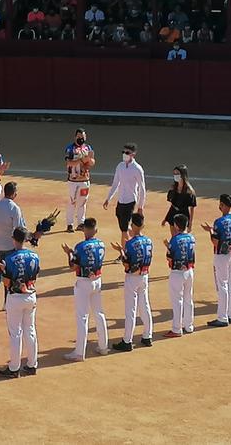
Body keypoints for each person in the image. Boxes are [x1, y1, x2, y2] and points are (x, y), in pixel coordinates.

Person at [63, 218, 109, 361]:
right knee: (99, 313)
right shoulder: (101, 244)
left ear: (85, 230)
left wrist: (69, 253)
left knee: (82, 316)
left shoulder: (80, 246)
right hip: (97, 280)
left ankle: (79, 353)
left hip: (83, 282)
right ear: (95, 230)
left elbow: (73, 267)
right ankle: (103, 346)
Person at [0, 226, 41, 377]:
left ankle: (14, 368)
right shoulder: (35, 256)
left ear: (13, 239)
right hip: (31, 296)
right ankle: (32, 364)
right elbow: (36, 275)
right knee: (30, 330)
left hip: (15, 298)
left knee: (16, 333)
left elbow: (7, 283)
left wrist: (3, 270)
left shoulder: (9, 259)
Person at [111, 212, 152, 351]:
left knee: (131, 310)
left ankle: (127, 340)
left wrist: (121, 251)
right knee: (145, 306)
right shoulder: (149, 241)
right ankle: (147, 336)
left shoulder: (130, 243)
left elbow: (127, 264)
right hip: (145, 276)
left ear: (133, 225)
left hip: (132, 278)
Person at [0, 182, 26, 308]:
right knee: (9, 273)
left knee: (3, 269)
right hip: (10, 245)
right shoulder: (14, 208)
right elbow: (18, 229)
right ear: (13, 194)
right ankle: (5, 300)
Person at [201, 195, 231, 327]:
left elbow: (215, 241)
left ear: (223, 205)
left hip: (222, 256)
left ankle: (223, 317)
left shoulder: (218, 222)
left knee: (222, 285)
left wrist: (211, 231)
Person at [104, 142, 146, 243]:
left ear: (133, 154)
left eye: (127, 152)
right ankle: (140, 238)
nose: (125, 154)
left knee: (124, 229)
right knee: (125, 227)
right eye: (124, 152)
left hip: (130, 201)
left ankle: (124, 251)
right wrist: (108, 198)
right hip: (121, 201)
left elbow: (142, 188)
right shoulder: (120, 166)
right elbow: (115, 183)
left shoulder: (137, 169)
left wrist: (140, 206)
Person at [164, 214, 196, 338]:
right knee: (188, 299)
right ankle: (189, 325)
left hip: (177, 273)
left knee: (177, 301)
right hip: (189, 271)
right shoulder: (191, 238)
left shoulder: (174, 240)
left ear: (177, 226)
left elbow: (169, 257)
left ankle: (177, 329)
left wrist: (168, 247)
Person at [63, 128, 96, 232]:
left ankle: (81, 223)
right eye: (79, 137)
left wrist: (89, 161)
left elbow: (92, 162)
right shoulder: (70, 149)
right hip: (73, 181)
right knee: (72, 202)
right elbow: (69, 163)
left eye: (83, 137)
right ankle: (69, 224)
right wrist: (82, 160)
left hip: (85, 180)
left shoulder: (88, 148)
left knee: (83, 202)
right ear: (75, 137)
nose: (81, 139)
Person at [163, 165, 197, 230]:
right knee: (174, 237)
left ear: (183, 174)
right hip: (173, 214)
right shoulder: (173, 188)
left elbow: (192, 208)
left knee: (180, 235)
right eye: (174, 174)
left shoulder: (189, 191)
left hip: (183, 216)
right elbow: (172, 205)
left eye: (177, 173)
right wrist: (166, 218)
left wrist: (190, 223)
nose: (175, 175)